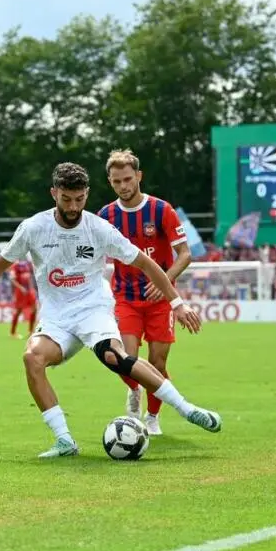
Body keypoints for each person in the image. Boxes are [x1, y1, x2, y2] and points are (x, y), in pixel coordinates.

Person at [0, 162, 221, 458]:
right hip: (56, 318)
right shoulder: (34, 228)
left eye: (79, 199)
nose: (73, 207)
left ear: (86, 194)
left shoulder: (99, 228)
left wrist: (176, 303)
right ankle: (64, 441)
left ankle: (187, 409)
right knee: (31, 358)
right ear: (54, 194)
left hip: (93, 310)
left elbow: (146, 263)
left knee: (116, 357)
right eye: (66, 199)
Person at [98, 149, 192, 436]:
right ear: (110, 182)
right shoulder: (105, 216)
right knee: (126, 359)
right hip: (125, 298)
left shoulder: (162, 210)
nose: (123, 186)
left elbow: (185, 254)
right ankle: (134, 390)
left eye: (127, 179)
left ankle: (152, 416)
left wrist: (165, 279)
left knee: (158, 363)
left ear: (139, 176)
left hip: (160, 299)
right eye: (116, 182)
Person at [9, 259, 37, 339]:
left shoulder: (28, 263)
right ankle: (13, 332)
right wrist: (21, 288)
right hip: (21, 291)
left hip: (29, 290)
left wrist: (32, 287)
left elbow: (29, 277)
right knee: (18, 311)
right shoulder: (15, 265)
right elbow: (12, 279)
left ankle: (31, 331)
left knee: (34, 309)